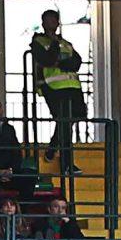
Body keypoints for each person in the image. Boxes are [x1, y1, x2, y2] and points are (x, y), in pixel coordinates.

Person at [29, 11, 86, 171]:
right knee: (64, 121)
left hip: (73, 86)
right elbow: (47, 60)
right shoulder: (38, 41)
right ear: (43, 23)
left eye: (54, 20)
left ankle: (53, 145)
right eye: (48, 20)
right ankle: (67, 163)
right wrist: (55, 48)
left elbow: (76, 62)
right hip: (52, 86)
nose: (51, 23)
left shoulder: (66, 43)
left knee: (77, 116)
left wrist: (59, 62)